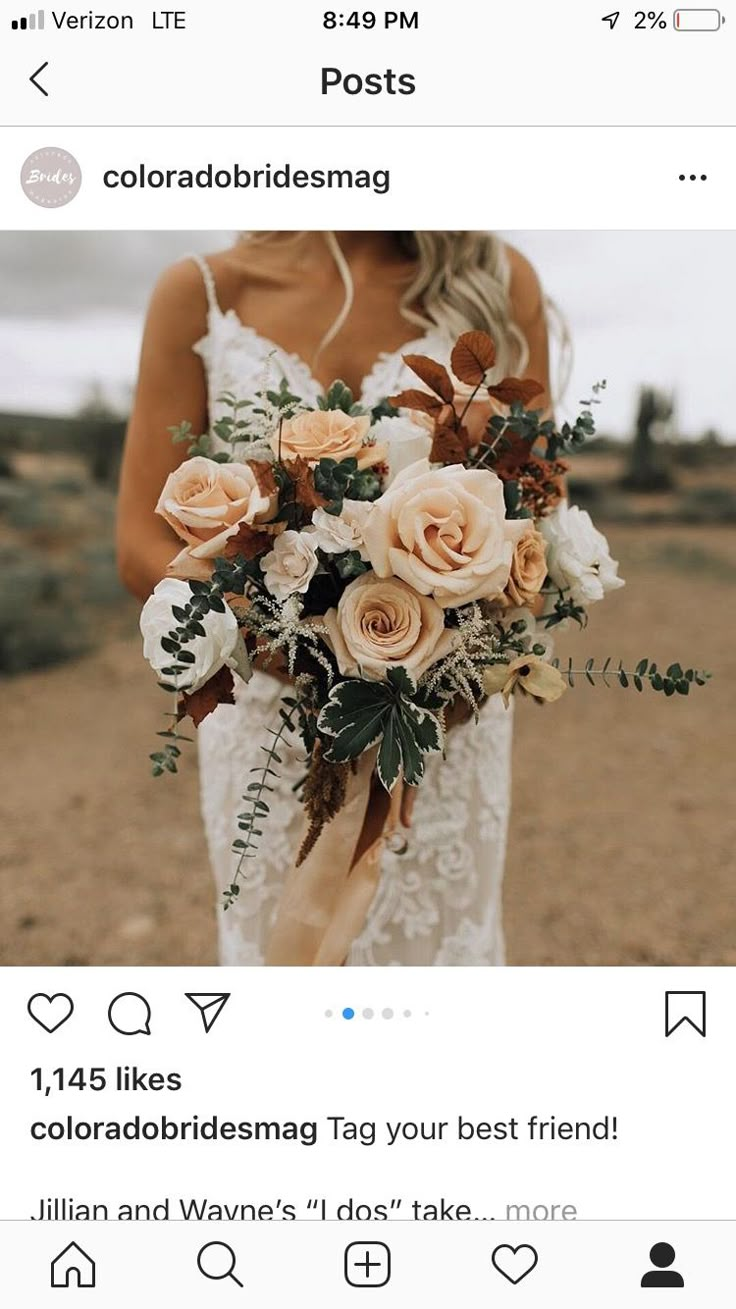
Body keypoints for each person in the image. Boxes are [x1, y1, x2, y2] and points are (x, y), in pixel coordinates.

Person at [117, 231, 553, 965]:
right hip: (270, 726)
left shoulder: (495, 283)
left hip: (444, 726)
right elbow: (139, 543)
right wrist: (306, 644)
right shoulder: (202, 292)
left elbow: (535, 508)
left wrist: (434, 658)